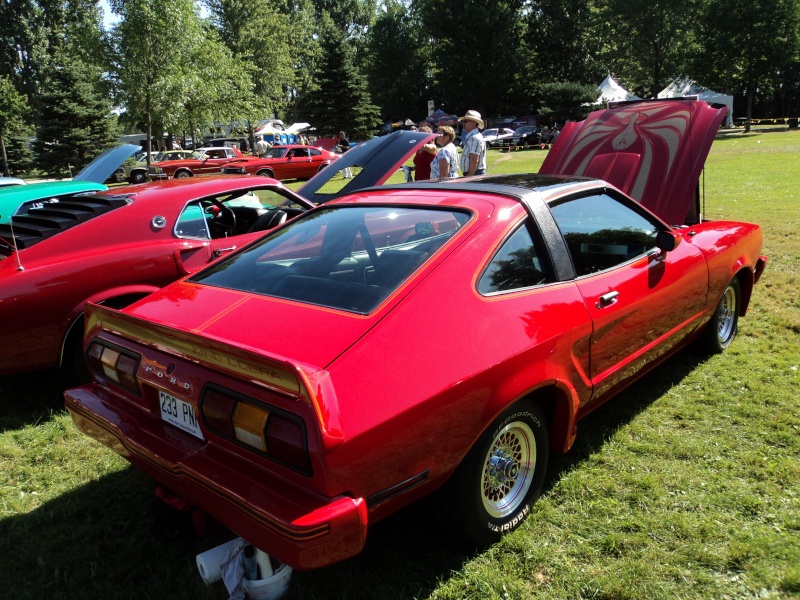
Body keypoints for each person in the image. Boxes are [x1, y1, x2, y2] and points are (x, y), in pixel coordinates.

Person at [458, 110, 486, 176]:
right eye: (463, 121)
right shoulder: (472, 137)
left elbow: (474, 161)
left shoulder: (474, 138)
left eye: (465, 121)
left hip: (474, 174)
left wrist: (469, 177)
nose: (463, 123)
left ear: (473, 123)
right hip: (474, 173)